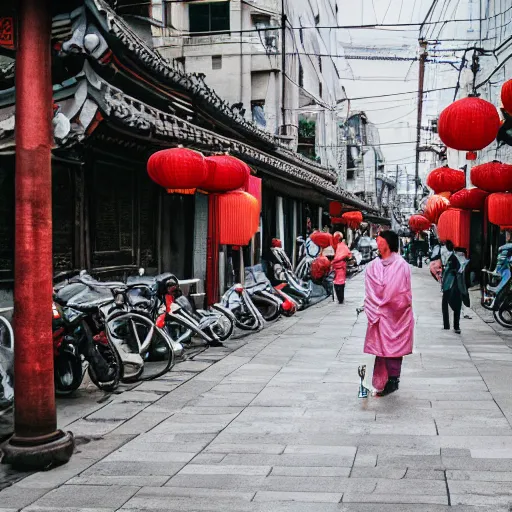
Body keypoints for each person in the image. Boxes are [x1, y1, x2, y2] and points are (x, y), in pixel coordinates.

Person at [364, 230, 414, 396]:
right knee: (381, 350)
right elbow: (370, 290)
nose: (377, 243)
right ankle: (384, 380)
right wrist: (377, 306)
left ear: (388, 243)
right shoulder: (373, 266)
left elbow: (401, 293)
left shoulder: (402, 265)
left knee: (394, 349)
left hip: (396, 315)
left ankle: (393, 379)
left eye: (380, 240)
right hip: (379, 315)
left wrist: (385, 302)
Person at [441, 240, 469, 334]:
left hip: (450, 284)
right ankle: (455, 326)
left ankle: (447, 325)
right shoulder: (463, 259)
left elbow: (447, 271)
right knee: (457, 305)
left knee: (448, 303)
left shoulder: (452, 257)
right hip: (455, 284)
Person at [331, 232, 352, 304]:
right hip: (341, 267)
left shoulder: (332, 245)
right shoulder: (343, 246)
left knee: (336, 283)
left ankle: (339, 298)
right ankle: (341, 298)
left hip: (335, 267)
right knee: (341, 283)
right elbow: (348, 255)